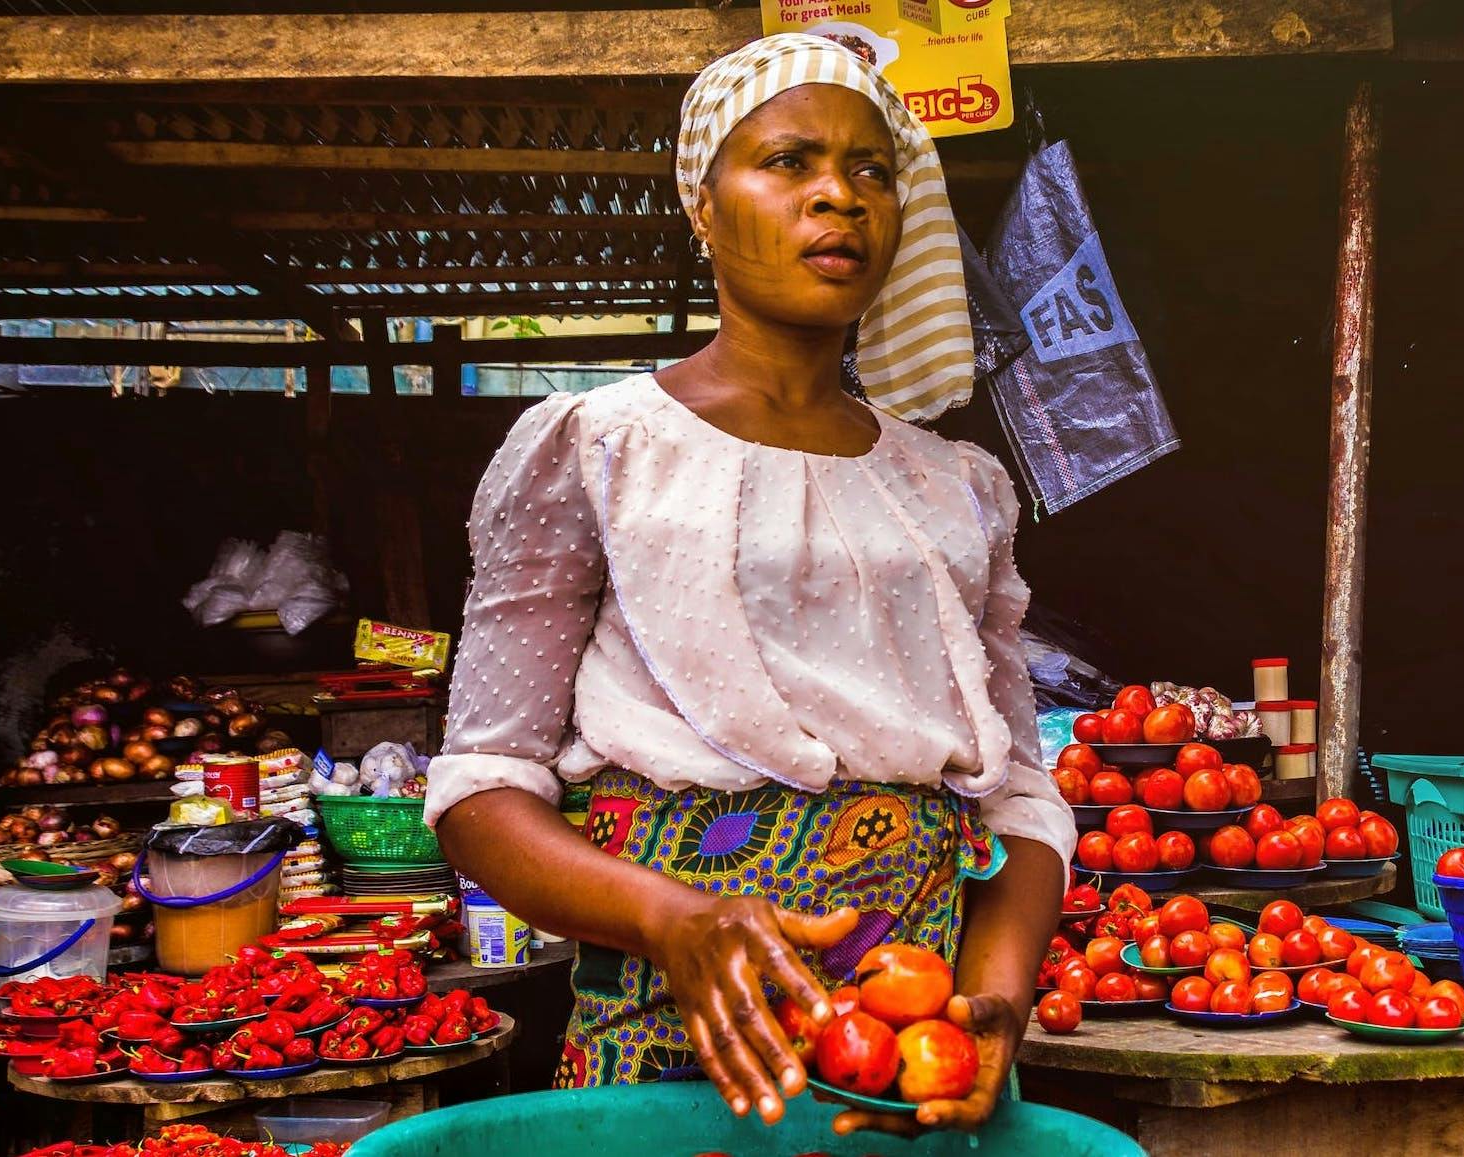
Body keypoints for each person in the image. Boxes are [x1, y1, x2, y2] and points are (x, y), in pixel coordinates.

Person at [427, 33, 1075, 1137]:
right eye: (788, 161)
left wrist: (994, 1001)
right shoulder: (595, 445)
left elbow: (1017, 794)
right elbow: (483, 789)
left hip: (908, 1051)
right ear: (704, 205)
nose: (840, 194)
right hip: (666, 1024)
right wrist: (679, 921)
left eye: (872, 170)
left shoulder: (957, 486)